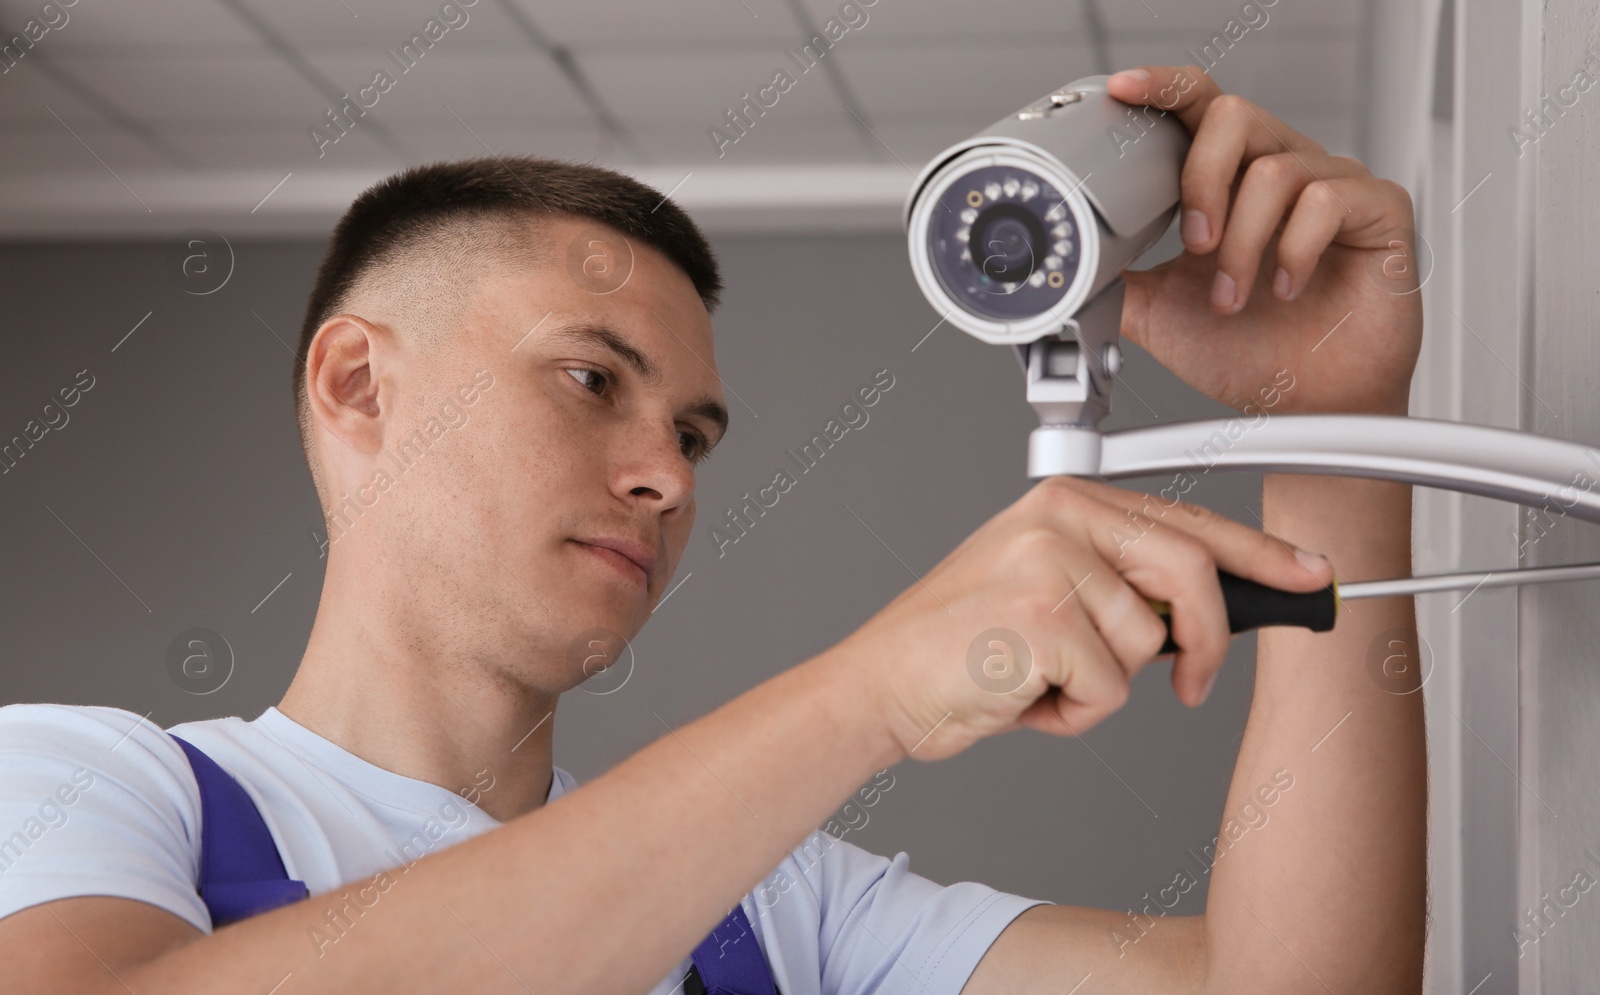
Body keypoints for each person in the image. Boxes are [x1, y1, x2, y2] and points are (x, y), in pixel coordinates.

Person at [0, 65, 1426, 994]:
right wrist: (871, 688)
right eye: (592, 381)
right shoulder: (93, 787)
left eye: (690, 434)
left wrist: (1336, 426)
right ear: (361, 386)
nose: (668, 478)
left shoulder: (773, 903)